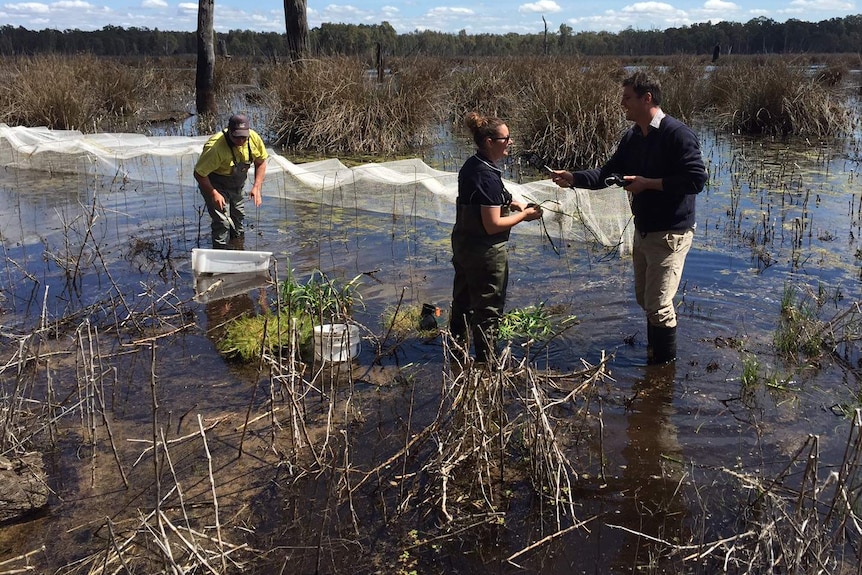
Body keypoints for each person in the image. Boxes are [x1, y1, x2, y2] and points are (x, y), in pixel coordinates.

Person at [551, 71, 707, 364]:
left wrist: (648, 183)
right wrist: (573, 178)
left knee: (659, 305)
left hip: (671, 232)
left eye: (627, 98)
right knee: (645, 301)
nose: (622, 104)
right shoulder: (633, 136)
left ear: (647, 98)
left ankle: (663, 372)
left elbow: (696, 180)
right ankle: (655, 361)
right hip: (645, 229)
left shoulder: (677, 134)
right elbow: (607, 173)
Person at [450, 112, 543, 363]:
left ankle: (456, 357)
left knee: (462, 301)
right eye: (506, 138)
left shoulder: (474, 165)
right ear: (490, 141)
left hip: (464, 247)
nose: (510, 143)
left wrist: (515, 203)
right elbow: (493, 225)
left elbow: (496, 196)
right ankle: (486, 364)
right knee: (488, 309)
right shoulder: (487, 176)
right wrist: (525, 216)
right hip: (485, 252)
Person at [194, 114, 269, 249]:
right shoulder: (215, 148)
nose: (240, 140)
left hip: (237, 184)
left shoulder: (253, 139)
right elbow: (199, 174)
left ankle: (238, 246)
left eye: (243, 137)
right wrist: (213, 193)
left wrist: (257, 187)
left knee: (238, 216)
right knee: (222, 221)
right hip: (215, 183)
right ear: (229, 131)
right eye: (236, 137)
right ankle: (219, 250)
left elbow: (261, 162)